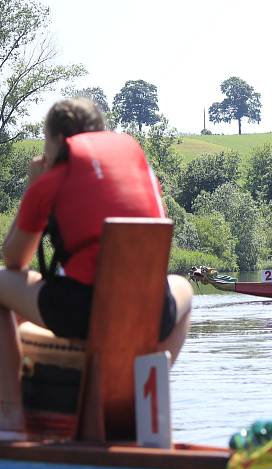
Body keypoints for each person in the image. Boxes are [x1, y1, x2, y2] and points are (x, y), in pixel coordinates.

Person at [0, 98, 192, 363]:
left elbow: (14, 260)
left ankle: (10, 404)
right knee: (184, 287)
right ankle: (147, 388)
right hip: (152, 310)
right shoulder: (142, 175)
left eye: (45, 141)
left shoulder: (52, 181)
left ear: (57, 139)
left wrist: (33, 187)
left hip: (85, 313)